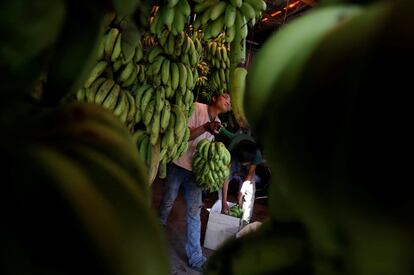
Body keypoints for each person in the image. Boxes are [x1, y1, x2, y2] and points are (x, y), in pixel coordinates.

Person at [158, 92, 231, 272]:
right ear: (214, 98)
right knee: (168, 201)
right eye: (225, 98)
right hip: (178, 164)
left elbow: (206, 150)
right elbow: (184, 136)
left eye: (230, 101)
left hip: (195, 172)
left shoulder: (219, 124)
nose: (228, 102)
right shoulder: (196, 108)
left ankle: (196, 259)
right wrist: (206, 126)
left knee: (194, 213)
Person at [216, 129, 262, 225]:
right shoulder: (232, 149)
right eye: (243, 163)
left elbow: (249, 176)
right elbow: (225, 177)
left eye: (246, 164)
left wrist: (240, 195)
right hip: (233, 158)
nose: (244, 165)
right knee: (221, 182)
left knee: (250, 189)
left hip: (247, 160)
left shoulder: (256, 155)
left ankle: (245, 221)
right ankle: (222, 210)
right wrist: (224, 201)